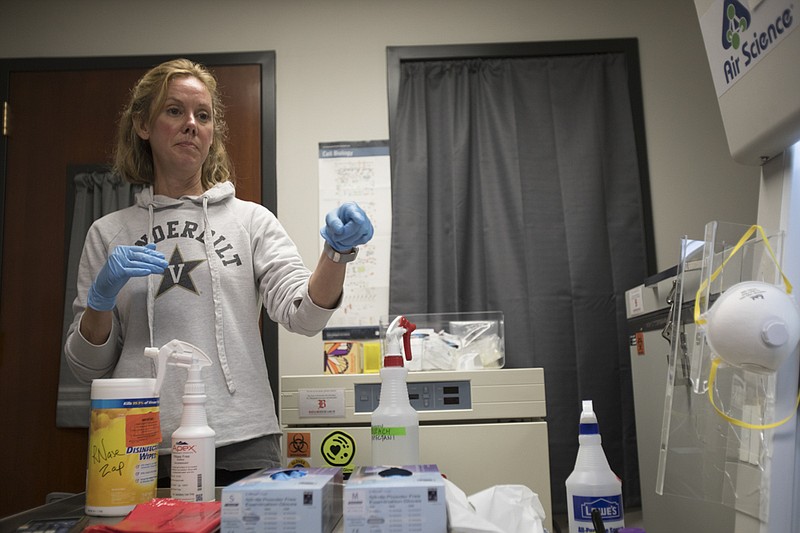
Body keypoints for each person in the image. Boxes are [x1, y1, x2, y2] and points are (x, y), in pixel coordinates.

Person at [64, 58, 373, 484]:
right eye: (175, 111)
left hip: (242, 437)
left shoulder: (252, 221)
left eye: (203, 115)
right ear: (143, 125)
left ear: (212, 134)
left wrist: (336, 253)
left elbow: (304, 315)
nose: (191, 124)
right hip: (135, 440)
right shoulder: (108, 233)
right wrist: (99, 302)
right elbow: (87, 369)